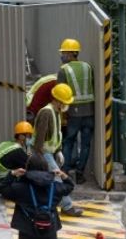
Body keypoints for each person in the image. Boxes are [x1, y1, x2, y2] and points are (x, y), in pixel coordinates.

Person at [33, 83, 83, 217]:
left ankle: (49, 204)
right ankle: (67, 206)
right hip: (43, 153)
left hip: (50, 152)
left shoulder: (56, 112)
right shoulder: (46, 113)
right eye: (65, 102)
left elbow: (56, 134)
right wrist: (38, 156)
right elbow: (40, 137)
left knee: (51, 180)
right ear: (58, 100)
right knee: (58, 179)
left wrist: (59, 150)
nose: (67, 105)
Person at [0, 154, 75, 239]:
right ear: (46, 167)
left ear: (28, 167)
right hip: (49, 229)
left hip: (26, 230)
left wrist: (12, 174)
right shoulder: (55, 187)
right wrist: (63, 175)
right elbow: (70, 186)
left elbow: (2, 188)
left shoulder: (20, 187)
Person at [57, 38, 94, 185]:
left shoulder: (64, 70)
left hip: (73, 113)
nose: (62, 56)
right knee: (85, 144)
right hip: (89, 112)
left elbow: (60, 94)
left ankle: (65, 172)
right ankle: (80, 173)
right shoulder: (88, 67)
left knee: (68, 142)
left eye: (64, 52)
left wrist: (62, 114)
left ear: (71, 53)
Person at [0, 121, 33, 197]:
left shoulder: (6, 144)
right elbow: (31, 165)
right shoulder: (18, 151)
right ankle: (0, 188)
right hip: (4, 182)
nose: (29, 139)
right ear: (21, 136)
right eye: (28, 136)